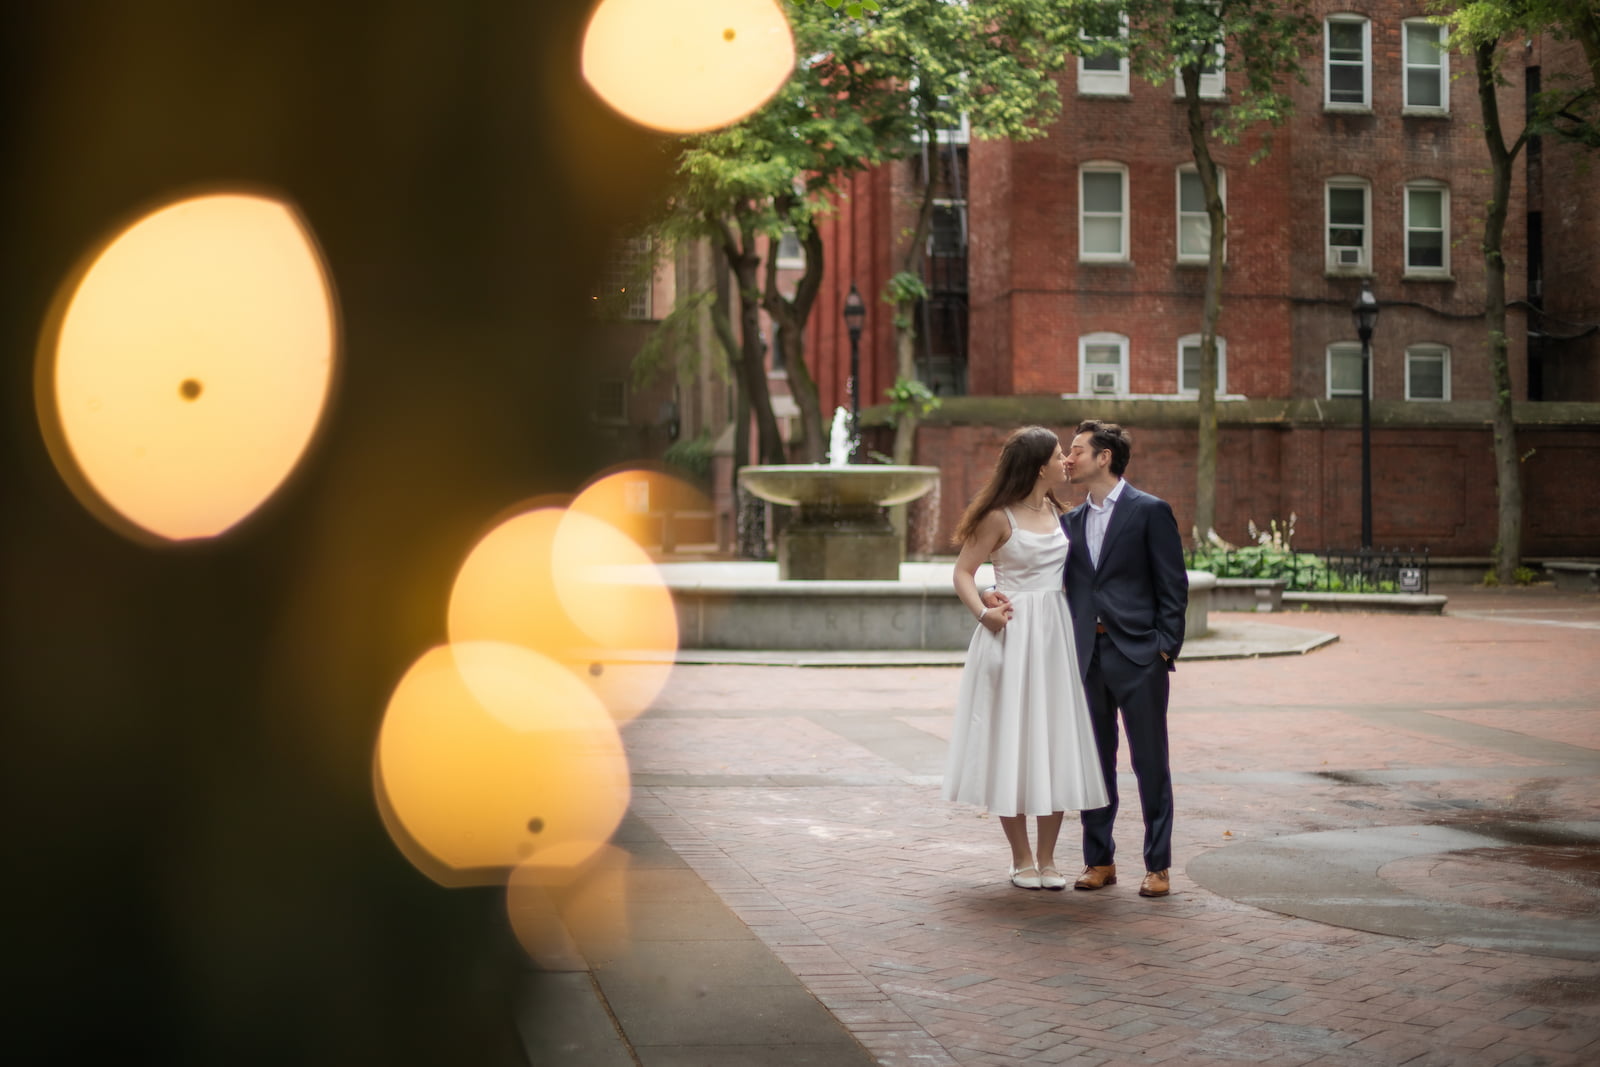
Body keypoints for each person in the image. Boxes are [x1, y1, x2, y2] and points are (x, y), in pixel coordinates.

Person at [990, 420, 1188, 898]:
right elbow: (1031, 568)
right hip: (1083, 658)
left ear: (1104, 458)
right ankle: (1100, 860)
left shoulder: (1150, 511)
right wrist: (991, 592)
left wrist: (1163, 646)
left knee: (1150, 763)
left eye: (1077, 450)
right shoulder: (1067, 522)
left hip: (1139, 655)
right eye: (1067, 452)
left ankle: (1157, 865)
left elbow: (1173, 586)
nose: (1068, 459)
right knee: (1093, 763)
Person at [945, 426, 1109, 891]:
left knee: (1053, 742)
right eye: (1060, 456)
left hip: (1054, 636)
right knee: (1013, 743)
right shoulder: (998, 517)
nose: (1066, 462)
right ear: (1041, 467)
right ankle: (1021, 859)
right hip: (1012, 634)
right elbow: (961, 571)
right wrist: (983, 612)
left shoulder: (1061, 513)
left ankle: (1049, 858)